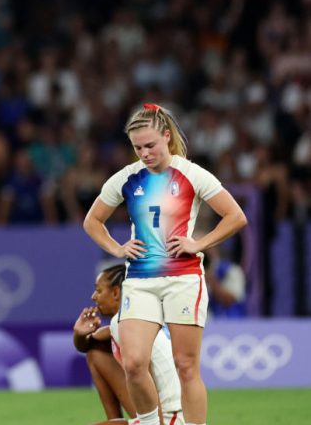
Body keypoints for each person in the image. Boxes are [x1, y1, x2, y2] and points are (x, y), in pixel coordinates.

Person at [83, 103, 247, 425]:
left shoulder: (191, 173)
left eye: (150, 145)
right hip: (140, 279)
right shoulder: (127, 178)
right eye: (137, 147)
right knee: (133, 362)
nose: (144, 153)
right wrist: (117, 248)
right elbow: (92, 221)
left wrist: (198, 243)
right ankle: (148, 423)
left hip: (183, 278)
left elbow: (236, 216)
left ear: (167, 137)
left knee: (186, 367)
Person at [74, 264, 184, 425]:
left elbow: (147, 373)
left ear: (116, 292)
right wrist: (79, 333)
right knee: (95, 353)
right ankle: (116, 420)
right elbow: (87, 345)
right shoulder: (134, 317)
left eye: (99, 290)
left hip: (169, 417)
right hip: (171, 410)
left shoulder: (123, 323)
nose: (94, 297)